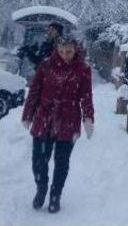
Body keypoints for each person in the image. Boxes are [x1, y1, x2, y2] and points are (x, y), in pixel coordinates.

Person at [21, 36, 94, 213]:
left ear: (75, 49)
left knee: (61, 162)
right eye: (61, 51)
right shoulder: (45, 66)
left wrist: (88, 118)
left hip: (68, 119)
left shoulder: (83, 69)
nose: (64, 55)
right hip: (44, 118)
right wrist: (28, 115)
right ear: (57, 50)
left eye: (68, 51)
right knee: (39, 160)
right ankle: (41, 188)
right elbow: (34, 92)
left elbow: (86, 96)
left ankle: (55, 195)